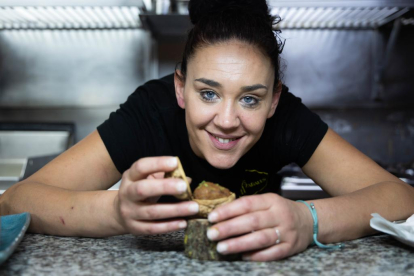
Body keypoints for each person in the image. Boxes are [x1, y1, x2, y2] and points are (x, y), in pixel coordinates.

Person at [1, 0, 413, 262]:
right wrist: (115, 211)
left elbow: (400, 196)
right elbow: (17, 201)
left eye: (250, 99)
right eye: (208, 93)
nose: (228, 120)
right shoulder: (151, 110)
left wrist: (309, 220)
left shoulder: (287, 117)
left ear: (273, 101)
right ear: (181, 88)